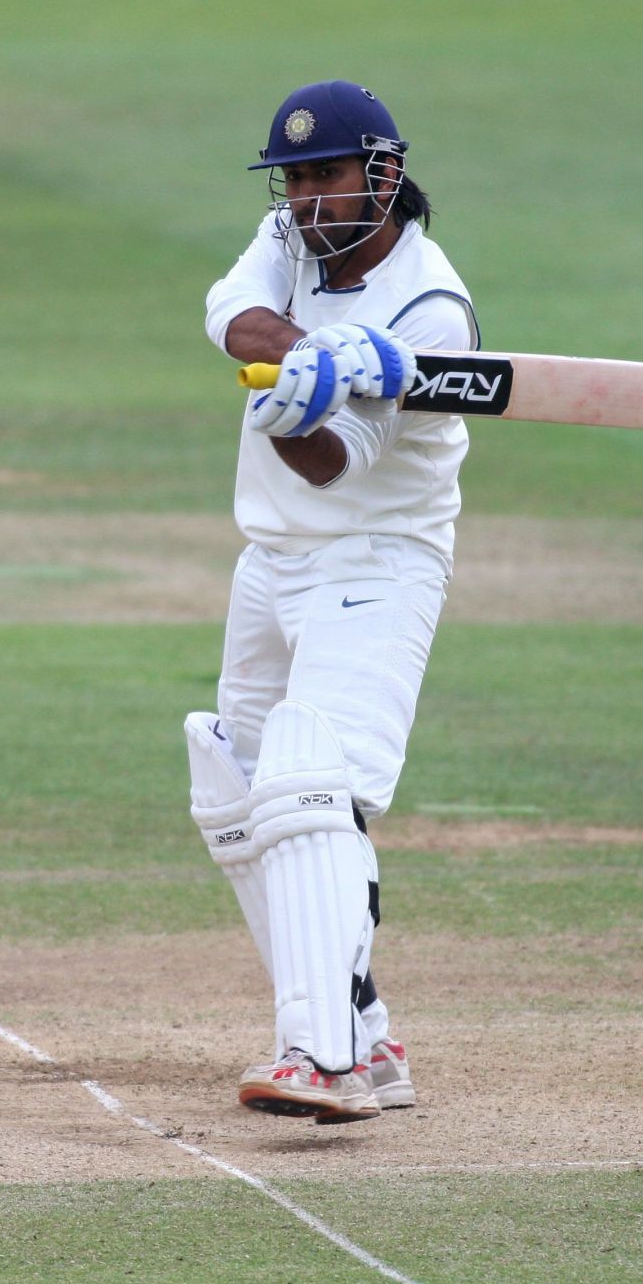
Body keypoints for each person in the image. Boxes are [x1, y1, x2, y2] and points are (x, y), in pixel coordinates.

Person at [184, 80, 478, 1125]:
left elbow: (333, 465)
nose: (307, 198)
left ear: (382, 174)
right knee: (235, 789)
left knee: (313, 786)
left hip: (374, 555)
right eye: (295, 178)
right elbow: (229, 309)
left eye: (328, 175)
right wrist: (305, 361)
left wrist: (294, 410)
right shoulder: (288, 237)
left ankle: (324, 1056)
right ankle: (364, 1025)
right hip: (271, 560)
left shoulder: (432, 312)